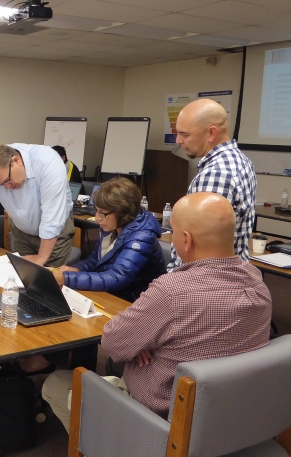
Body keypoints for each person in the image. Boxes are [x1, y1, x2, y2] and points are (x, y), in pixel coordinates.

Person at [42, 192, 272, 433]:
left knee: (55, 384)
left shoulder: (171, 292)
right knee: (121, 362)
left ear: (185, 239)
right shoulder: (257, 283)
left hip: (162, 422)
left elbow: (112, 342)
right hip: (232, 415)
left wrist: (144, 338)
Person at [168, 98, 256, 270]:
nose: (178, 140)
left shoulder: (216, 174)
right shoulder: (241, 161)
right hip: (231, 274)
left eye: (185, 134)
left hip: (204, 282)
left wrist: (172, 283)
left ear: (211, 133)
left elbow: (197, 248)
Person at [0, 144, 74, 268]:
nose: (6, 187)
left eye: (7, 180)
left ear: (16, 160)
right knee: (20, 277)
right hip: (21, 230)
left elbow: (52, 220)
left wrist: (40, 259)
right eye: (0, 185)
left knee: (49, 281)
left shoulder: (48, 163)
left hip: (54, 235)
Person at [53, 177, 165, 303]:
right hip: (113, 295)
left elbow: (118, 277)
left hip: (135, 302)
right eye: (96, 211)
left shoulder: (142, 237)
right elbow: (96, 260)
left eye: (102, 213)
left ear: (122, 212)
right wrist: (77, 269)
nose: (97, 218)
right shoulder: (113, 225)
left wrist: (68, 279)